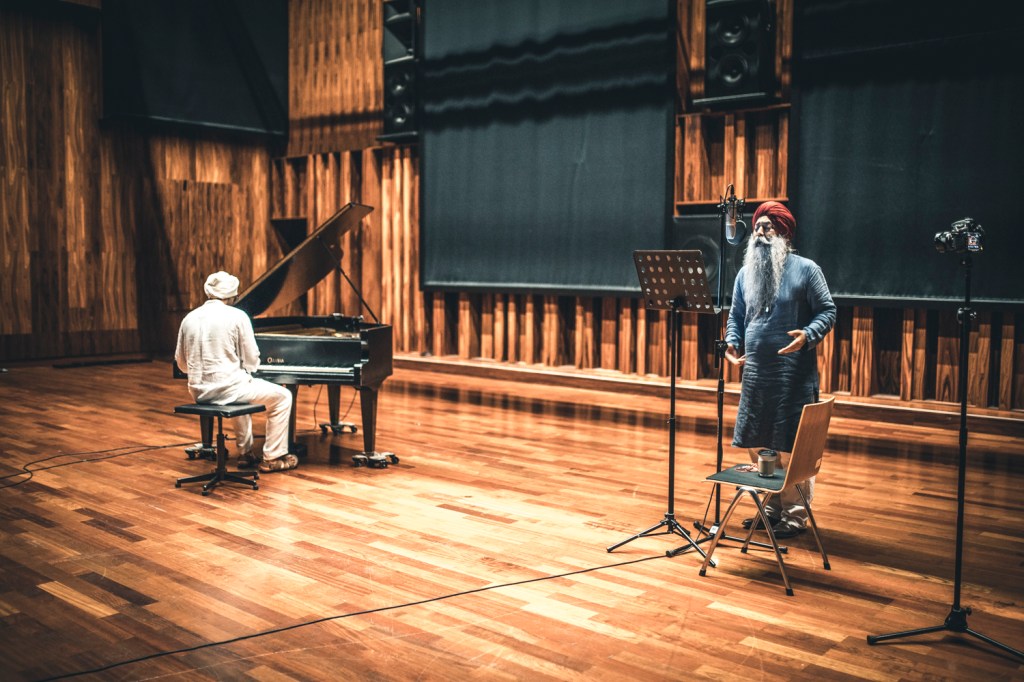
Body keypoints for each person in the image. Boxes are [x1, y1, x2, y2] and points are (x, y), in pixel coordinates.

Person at [724, 201, 836, 538]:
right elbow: (736, 316)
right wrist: (732, 341)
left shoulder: (807, 269)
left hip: (792, 375)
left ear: (784, 233)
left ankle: (795, 515)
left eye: (768, 227)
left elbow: (827, 311)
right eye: (757, 227)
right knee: (760, 443)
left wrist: (808, 334)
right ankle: (771, 509)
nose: (760, 233)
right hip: (756, 375)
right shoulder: (745, 274)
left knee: (790, 444)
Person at [174, 271, 298, 473]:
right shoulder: (238, 316)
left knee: (240, 392)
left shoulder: (189, 318)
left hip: (199, 392)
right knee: (283, 396)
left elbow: (181, 364)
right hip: (229, 390)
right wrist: (247, 368)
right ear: (232, 296)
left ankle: (245, 453)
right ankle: (273, 457)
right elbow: (251, 359)